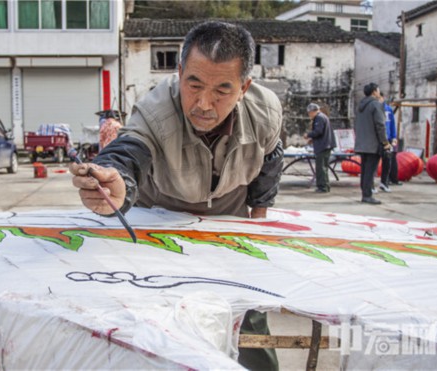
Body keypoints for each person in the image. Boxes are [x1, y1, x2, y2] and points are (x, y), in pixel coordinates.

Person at [70, 21, 284, 370]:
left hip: (229, 229)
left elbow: (269, 164)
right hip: (162, 231)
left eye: (222, 90)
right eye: (194, 84)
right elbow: (128, 153)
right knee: (158, 332)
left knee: (248, 323)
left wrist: (258, 226)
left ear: (244, 87)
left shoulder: (267, 112)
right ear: (179, 71)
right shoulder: (154, 111)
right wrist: (115, 182)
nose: (203, 103)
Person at [354, 83, 391, 205]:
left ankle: (365, 192)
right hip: (373, 143)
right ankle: (367, 195)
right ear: (374, 92)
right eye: (378, 90)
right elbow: (380, 125)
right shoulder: (376, 105)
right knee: (370, 171)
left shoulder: (361, 106)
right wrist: (385, 142)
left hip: (362, 143)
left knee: (365, 170)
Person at [303, 103, 336, 193]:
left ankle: (323, 187)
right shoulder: (323, 117)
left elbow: (318, 131)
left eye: (309, 113)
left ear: (313, 111)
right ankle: (325, 185)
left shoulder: (319, 118)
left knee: (321, 167)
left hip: (323, 146)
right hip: (326, 145)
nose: (309, 115)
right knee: (324, 167)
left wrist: (308, 135)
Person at [378, 92, 400, 191]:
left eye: (380, 97)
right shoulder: (374, 109)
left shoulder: (388, 109)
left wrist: (394, 137)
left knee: (387, 161)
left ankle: (385, 182)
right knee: (374, 162)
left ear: (382, 97)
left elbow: (392, 124)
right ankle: (371, 185)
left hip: (388, 139)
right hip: (378, 139)